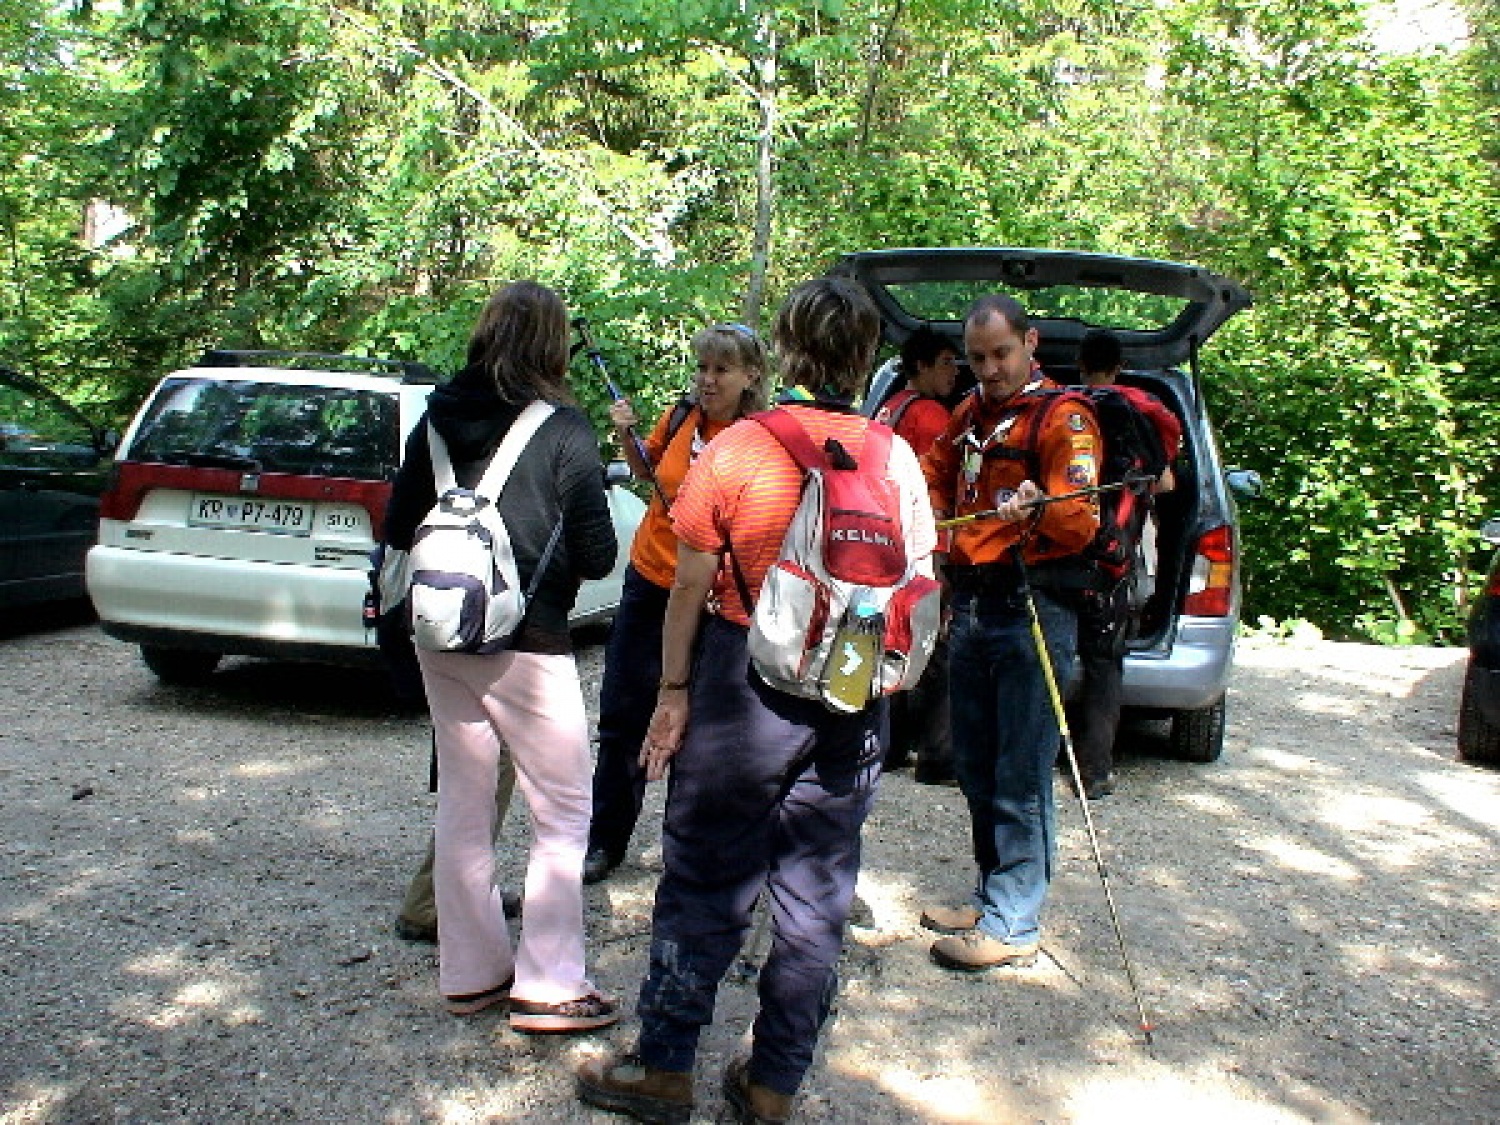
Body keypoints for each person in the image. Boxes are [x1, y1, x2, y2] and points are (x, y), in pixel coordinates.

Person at [576, 279, 936, 1124]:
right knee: (816, 893)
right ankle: (774, 1082)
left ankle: (663, 1065)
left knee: (704, 872)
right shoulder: (894, 456)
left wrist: (672, 692)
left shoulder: (743, 446)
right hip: (853, 686)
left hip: (746, 682)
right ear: (864, 358)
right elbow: (917, 577)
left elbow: (687, 582)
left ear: (788, 348)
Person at [380, 280, 620, 1032]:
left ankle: (472, 971)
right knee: (564, 810)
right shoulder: (566, 429)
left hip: (442, 635)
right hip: (530, 642)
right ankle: (550, 985)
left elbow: (396, 527)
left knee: (464, 798)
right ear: (552, 343)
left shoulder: (435, 420)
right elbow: (596, 548)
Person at [918, 294, 1102, 972]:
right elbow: (933, 474)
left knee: (1021, 769)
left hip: (1032, 605)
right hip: (969, 602)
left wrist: (1038, 511)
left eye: (1001, 353)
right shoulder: (970, 415)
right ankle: (989, 892)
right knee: (976, 759)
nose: (990, 368)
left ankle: (1014, 921)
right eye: (977, 357)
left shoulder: (1065, 417)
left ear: (1030, 343)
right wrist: (935, 518)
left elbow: (1079, 519)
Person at [582, 323, 769, 885]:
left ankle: (687, 851)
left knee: (699, 722)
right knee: (623, 715)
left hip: (713, 595)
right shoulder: (681, 418)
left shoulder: (758, 435)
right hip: (650, 581)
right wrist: (625, 436)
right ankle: (604, 839)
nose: (708, 381)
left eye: (721, 370)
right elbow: (647, 468)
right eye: (702, 368)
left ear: (750, 376)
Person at [1065, 328, 1182, 799]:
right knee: (1103, 662)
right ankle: (1095, 771)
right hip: (1111, 558)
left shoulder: (1060, 406)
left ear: (1079, 364)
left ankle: (1031, 757)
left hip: (1057, 550)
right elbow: (1168, 485)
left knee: (1042, 657)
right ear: (1119, 366)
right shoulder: (1141, 411)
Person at [876, 325, 959, 784]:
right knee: (936, 646)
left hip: (886, 546)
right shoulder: (930, 417)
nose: (955, 372)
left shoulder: (888, 409)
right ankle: (939, 756)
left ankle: (888, 745)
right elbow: (945, 487)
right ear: (922, 367)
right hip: (925, 544)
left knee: (894, 639)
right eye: (946, 362)